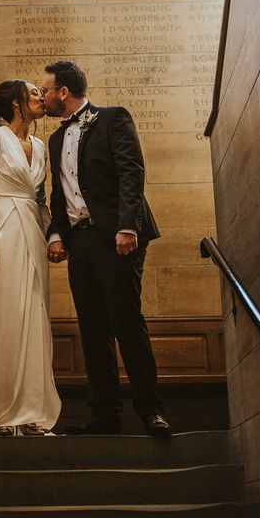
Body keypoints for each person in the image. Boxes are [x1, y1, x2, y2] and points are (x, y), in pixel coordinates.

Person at [42, 61, 171, 436]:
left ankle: (151, 411)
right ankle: (105, 416)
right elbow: (60, 192)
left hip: (117, 238)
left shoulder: (113, 118)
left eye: (46, 88)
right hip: (80, 243)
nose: (44, 95)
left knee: (126, 322)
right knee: (92, 329)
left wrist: (128, 225)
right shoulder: (54, 139)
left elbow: (132, 171)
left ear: (63, 91)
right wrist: (56, 233)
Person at [0, 79, 61, 436]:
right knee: (6, 315)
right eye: (35, 92)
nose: (42, 97)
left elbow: (41, 199)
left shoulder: (40, 146)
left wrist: (54, 235)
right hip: (3, 228)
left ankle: (31, 414)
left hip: (32, 229)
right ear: (16, 103)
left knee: (34, 317)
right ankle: (1, 416)